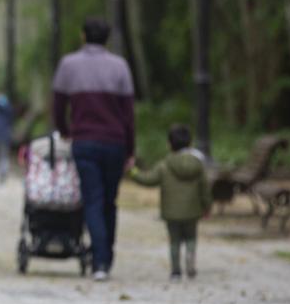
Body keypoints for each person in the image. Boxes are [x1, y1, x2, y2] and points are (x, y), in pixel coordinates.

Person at [52, 17, 135, 282]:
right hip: (115, 143)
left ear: (83, 35)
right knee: (110, 201)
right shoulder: (120, 66)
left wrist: (65, 130)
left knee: (93, 200)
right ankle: (105, 257)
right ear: (107, 38)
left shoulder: (68, 65)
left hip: (85, 142)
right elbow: (129, 114)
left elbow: (57, 104)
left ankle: (99, 261)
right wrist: (131, 149)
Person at [129, 125, 210, 281]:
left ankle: (175, 271)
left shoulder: (164, 164)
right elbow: (204, 188)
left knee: (175, 242)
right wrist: (206, 206)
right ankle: (190, 262)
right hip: (192, 211)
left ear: (169, 144)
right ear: (190, 143)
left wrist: (133, 171)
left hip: (171, 212)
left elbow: (148, 180)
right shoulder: (198, 165)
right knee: (191, 238)